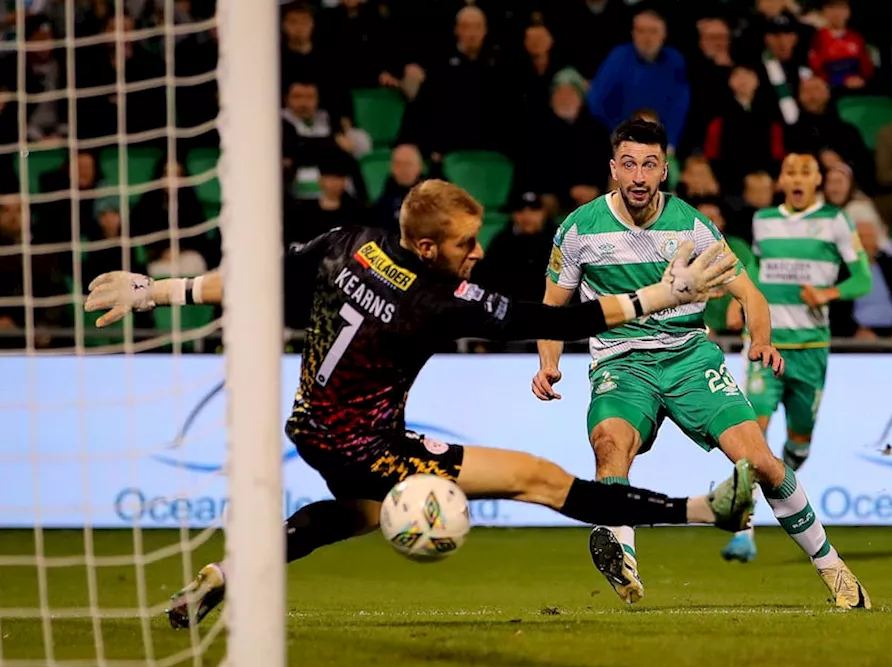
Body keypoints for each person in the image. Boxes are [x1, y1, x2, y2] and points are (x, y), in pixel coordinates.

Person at [84, 179, 756, 629]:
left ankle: (223, 575)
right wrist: (662, 297)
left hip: (310, 425)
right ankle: (704, 510)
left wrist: (155, 291)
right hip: (369, 447)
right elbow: (552, 321)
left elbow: (256, 277)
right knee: (541, 480)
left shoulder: (349, 242)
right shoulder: (435, 300)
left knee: (355, 514)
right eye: (468, 243)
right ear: (429, 246)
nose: (479, 251)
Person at [533, 120, 871, 610]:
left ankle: (833, 568)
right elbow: (551, 308)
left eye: (649, 164)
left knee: (762, 464)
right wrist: (549, 363)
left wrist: (762, 340)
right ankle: (623, 558)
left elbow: (750, 292)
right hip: (622, 364)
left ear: (664, 170)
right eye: (628, 164)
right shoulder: (580, 229)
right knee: (610, 445)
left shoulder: (691, 224)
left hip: (690, 359)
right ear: (613, 169)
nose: (638, 175)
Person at [720, 153, 872, 563]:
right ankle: (745, 530)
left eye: (807, 172)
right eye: (791, 171)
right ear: (782, 180)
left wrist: (827, 294)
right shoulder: (763, 219)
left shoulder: (836, 221)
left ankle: (782, 477)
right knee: (753, 434)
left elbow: (862, 277)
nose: (798, 178)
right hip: (765, 346)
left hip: (810, 351)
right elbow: (753, 268)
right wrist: (741, 299)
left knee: (798, 446)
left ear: (818, 179)